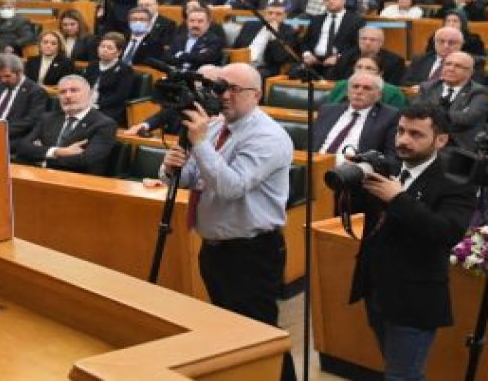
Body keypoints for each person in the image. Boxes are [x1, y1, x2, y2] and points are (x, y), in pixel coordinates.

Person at [160, 63, 297, 381]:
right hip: (215, 248)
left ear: (257, 95)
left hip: (252, 252)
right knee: (227, 332)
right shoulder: (216, 126)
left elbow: (232, 187)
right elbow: (194, 178)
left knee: (259, 335)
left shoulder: (269, 137)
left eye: (236, 90)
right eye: (221, 88)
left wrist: (201, 143)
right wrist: (170, 168)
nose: (225, 96)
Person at [350, 103, 478, 381]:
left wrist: (398, 198)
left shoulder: (456, 181)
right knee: (397, 371)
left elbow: (446, 233)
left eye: (416, 134)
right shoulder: (388, 166)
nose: (404, 140)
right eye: (401, 131)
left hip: (414, 299)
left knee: (402, 376)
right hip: (376, 289)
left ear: (440, 140)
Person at [13, 74, 117, 175]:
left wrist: (43, 160)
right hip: (41, 177)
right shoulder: (47, 118)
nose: (67, 96)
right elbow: (23, 147)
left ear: (90, 94)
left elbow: (86, 160)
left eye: (74, 90)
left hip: (78, 182)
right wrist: (58, 152)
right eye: (62, 92)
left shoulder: (104, 124)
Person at [312, 72, 402, 158]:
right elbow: (311, 144)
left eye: (367, 88)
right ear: (347, 92)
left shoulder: (390, 116)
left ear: (379, 95)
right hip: (317, 162)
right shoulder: (328, 110)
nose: (359, 92)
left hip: (353, 168)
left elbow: (391, 156)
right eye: (355, 87)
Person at [415, 52, 488, 150]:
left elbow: (468, 118)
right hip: (426, 139)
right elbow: (415, 112)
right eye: (448, 64)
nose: (451, 68)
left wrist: (433, 114)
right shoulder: (428, 87)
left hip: (458, 145)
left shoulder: (478, 92)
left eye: (458, 66)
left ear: (470, 72)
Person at [0, 53, 48, 142]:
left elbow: (30, 121)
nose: (3, 80)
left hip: (13, 138)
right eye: (0, 76)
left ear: (19, 72)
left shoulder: (35, 92)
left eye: (7, 76)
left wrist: (0, 131)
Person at [82, 32, 134, 126]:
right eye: (102, 46)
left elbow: (120, 96)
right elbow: (83, 86)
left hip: (110, 109)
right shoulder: (92, 66)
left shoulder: (124, 70)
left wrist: (97, 104)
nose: (104, 50)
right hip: (87, 105)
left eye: (109, 48)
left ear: (118, 52)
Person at [327, 54, 409, 109]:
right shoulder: (341, 85)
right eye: (359, 67)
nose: (363, 71)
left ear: (380, 73)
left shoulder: (393, 92)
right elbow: (329, 111)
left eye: (369, 68)